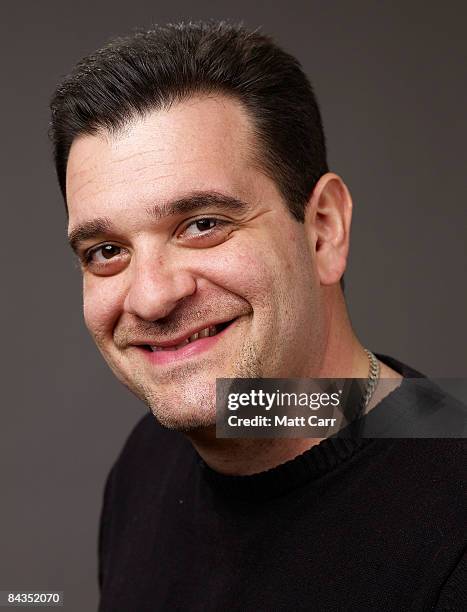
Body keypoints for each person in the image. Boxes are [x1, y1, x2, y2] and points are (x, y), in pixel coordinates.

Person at [49, 21, 466, 611]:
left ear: (323, 229)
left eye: (203, 224)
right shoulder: (146, 467)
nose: (150, 298)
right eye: (107, 251)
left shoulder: (453, 521)